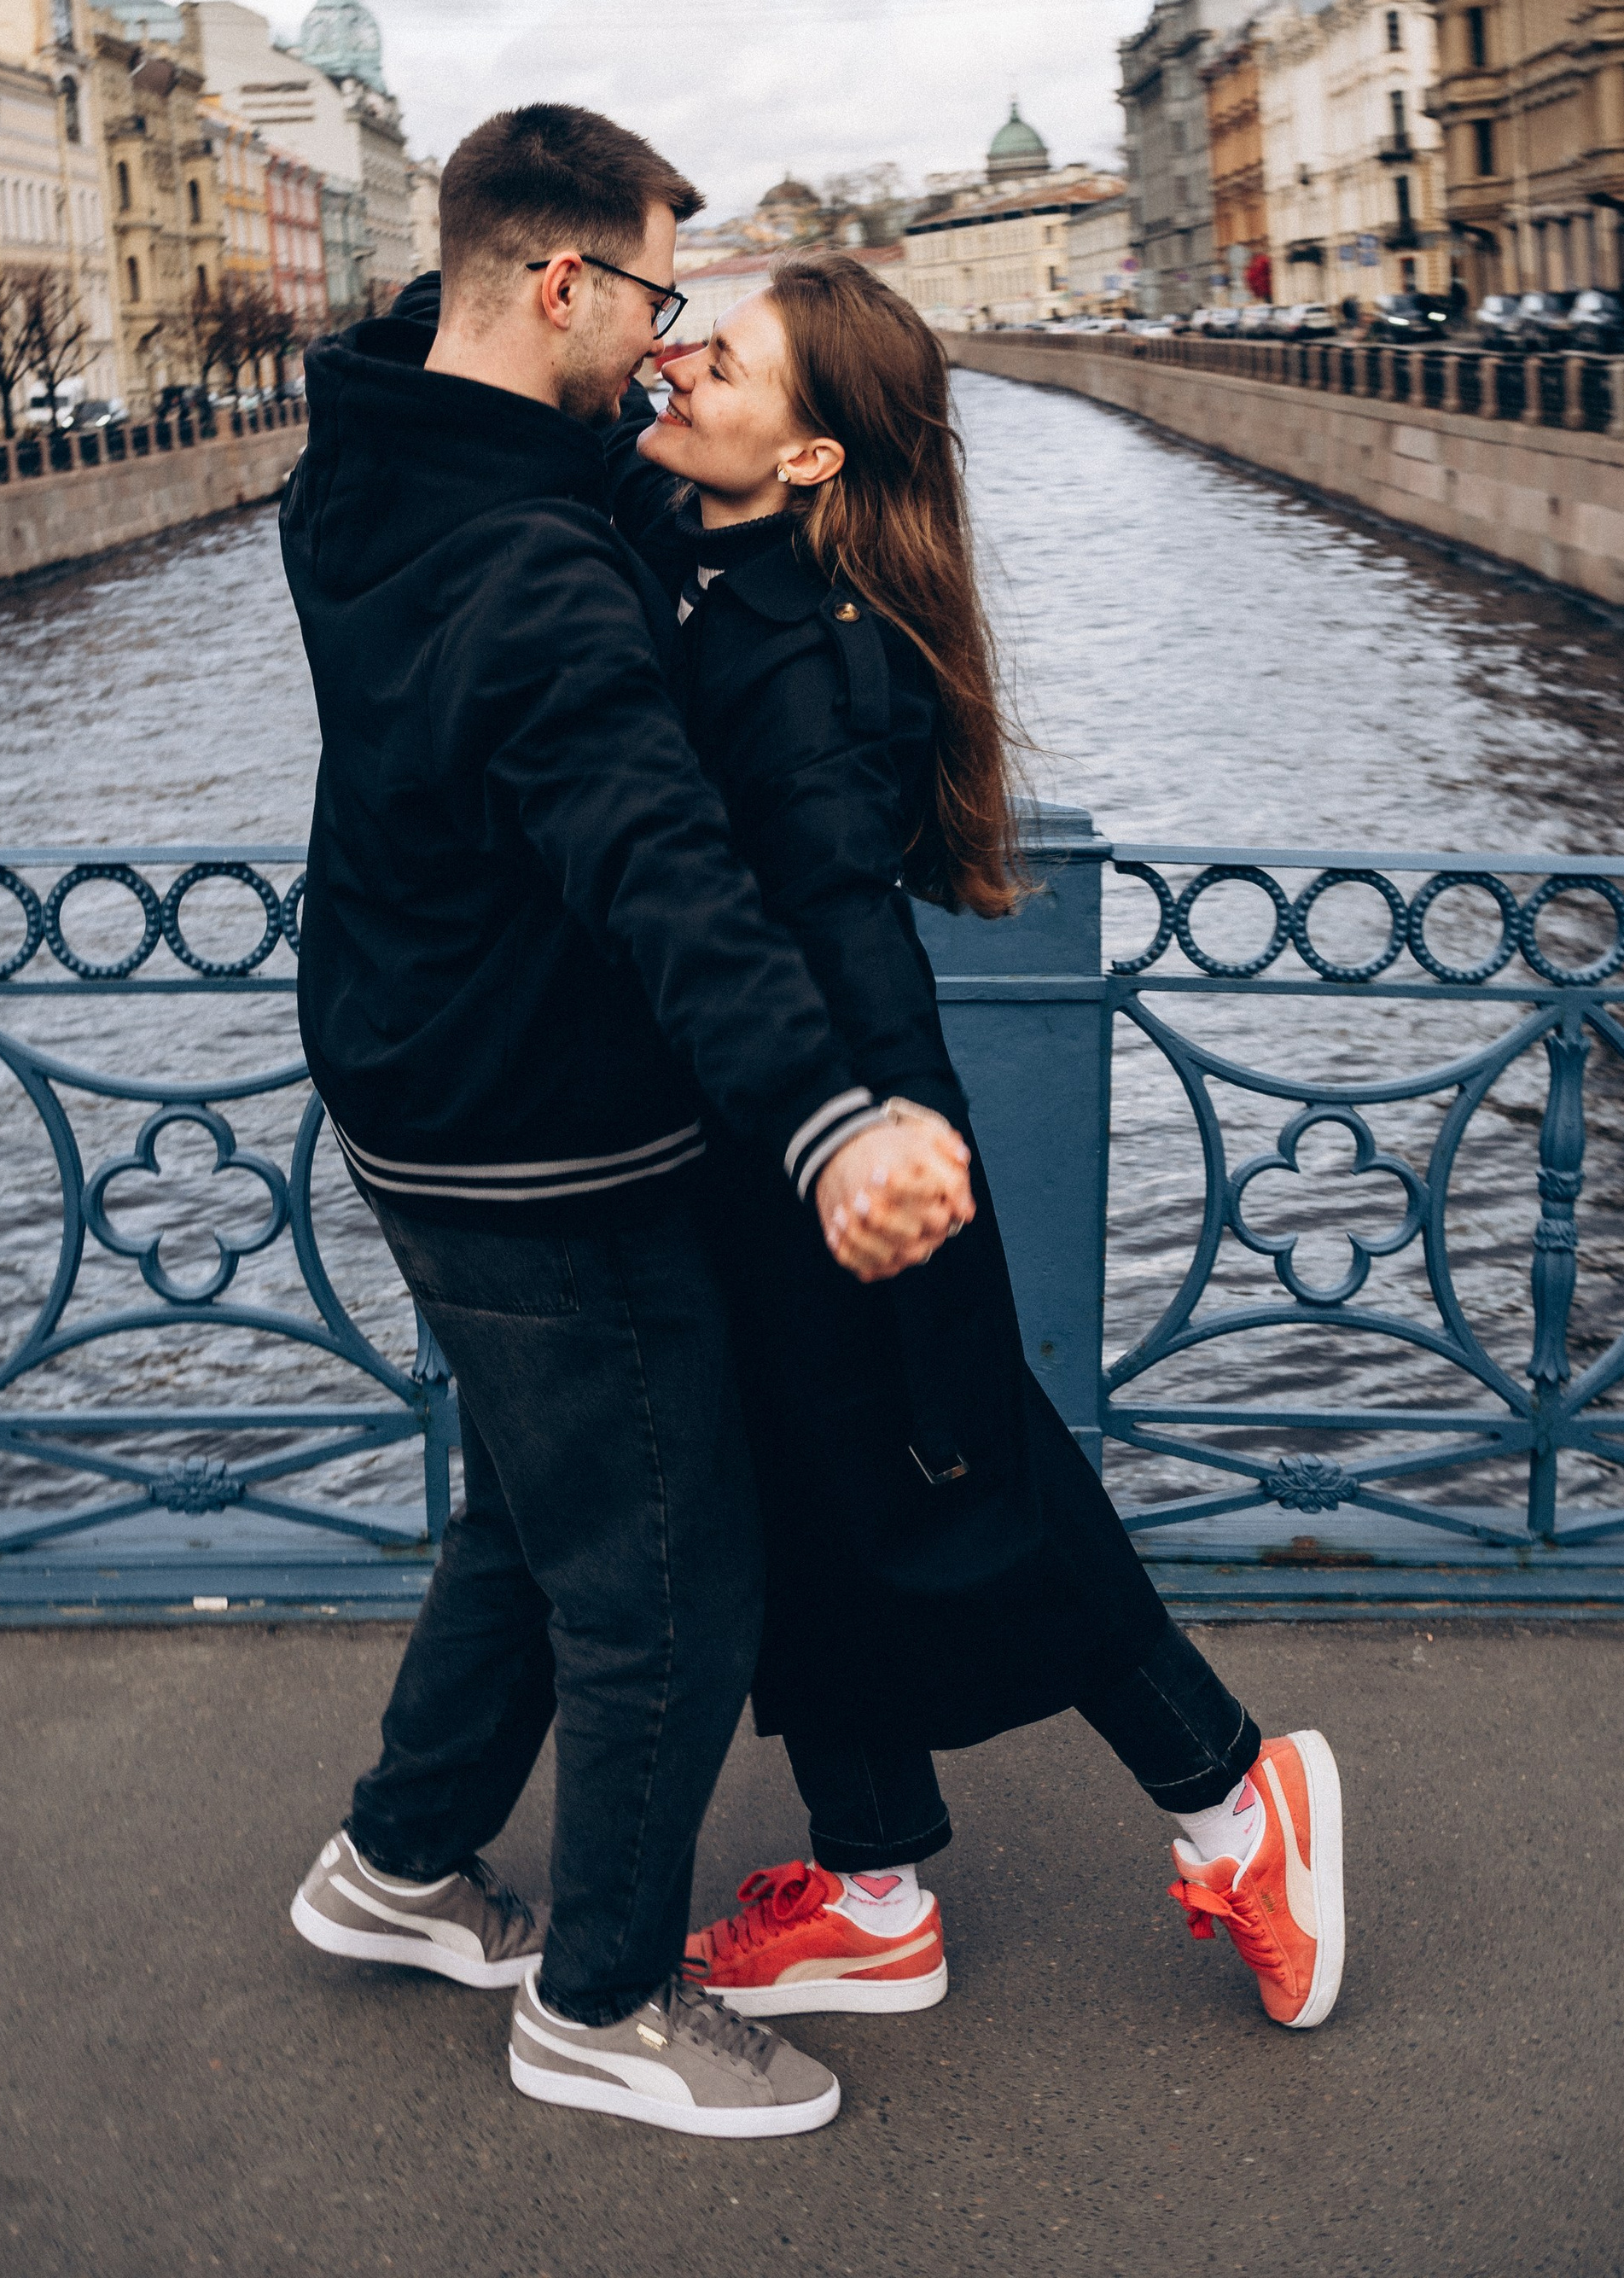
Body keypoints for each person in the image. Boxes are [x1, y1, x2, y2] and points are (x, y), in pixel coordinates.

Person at [278, 106, 975, 2142]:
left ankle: (397, 1864)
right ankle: (602, 2005)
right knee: (669, 1572)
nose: (669, 342)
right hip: (538, 1129)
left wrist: (594, 352)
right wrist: (832, 1117)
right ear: (565, 283)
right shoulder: (539, 577)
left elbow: (481, 338)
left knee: (535, 1510)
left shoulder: (379, 449)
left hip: (405, 1076)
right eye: (655, 296)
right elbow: (665, 873)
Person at [602, 256, 1344, 2035]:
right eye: (689, 329)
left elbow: (835, 925)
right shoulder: (713, 558)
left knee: (969, 1489)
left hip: (833, 1127)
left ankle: (1243, 1799)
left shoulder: (805, 652)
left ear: (809, 461)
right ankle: (868, 1889)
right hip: (764, 1128)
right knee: (812, 1489)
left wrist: (870, 1148)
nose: (681, 358)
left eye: (731, 360)